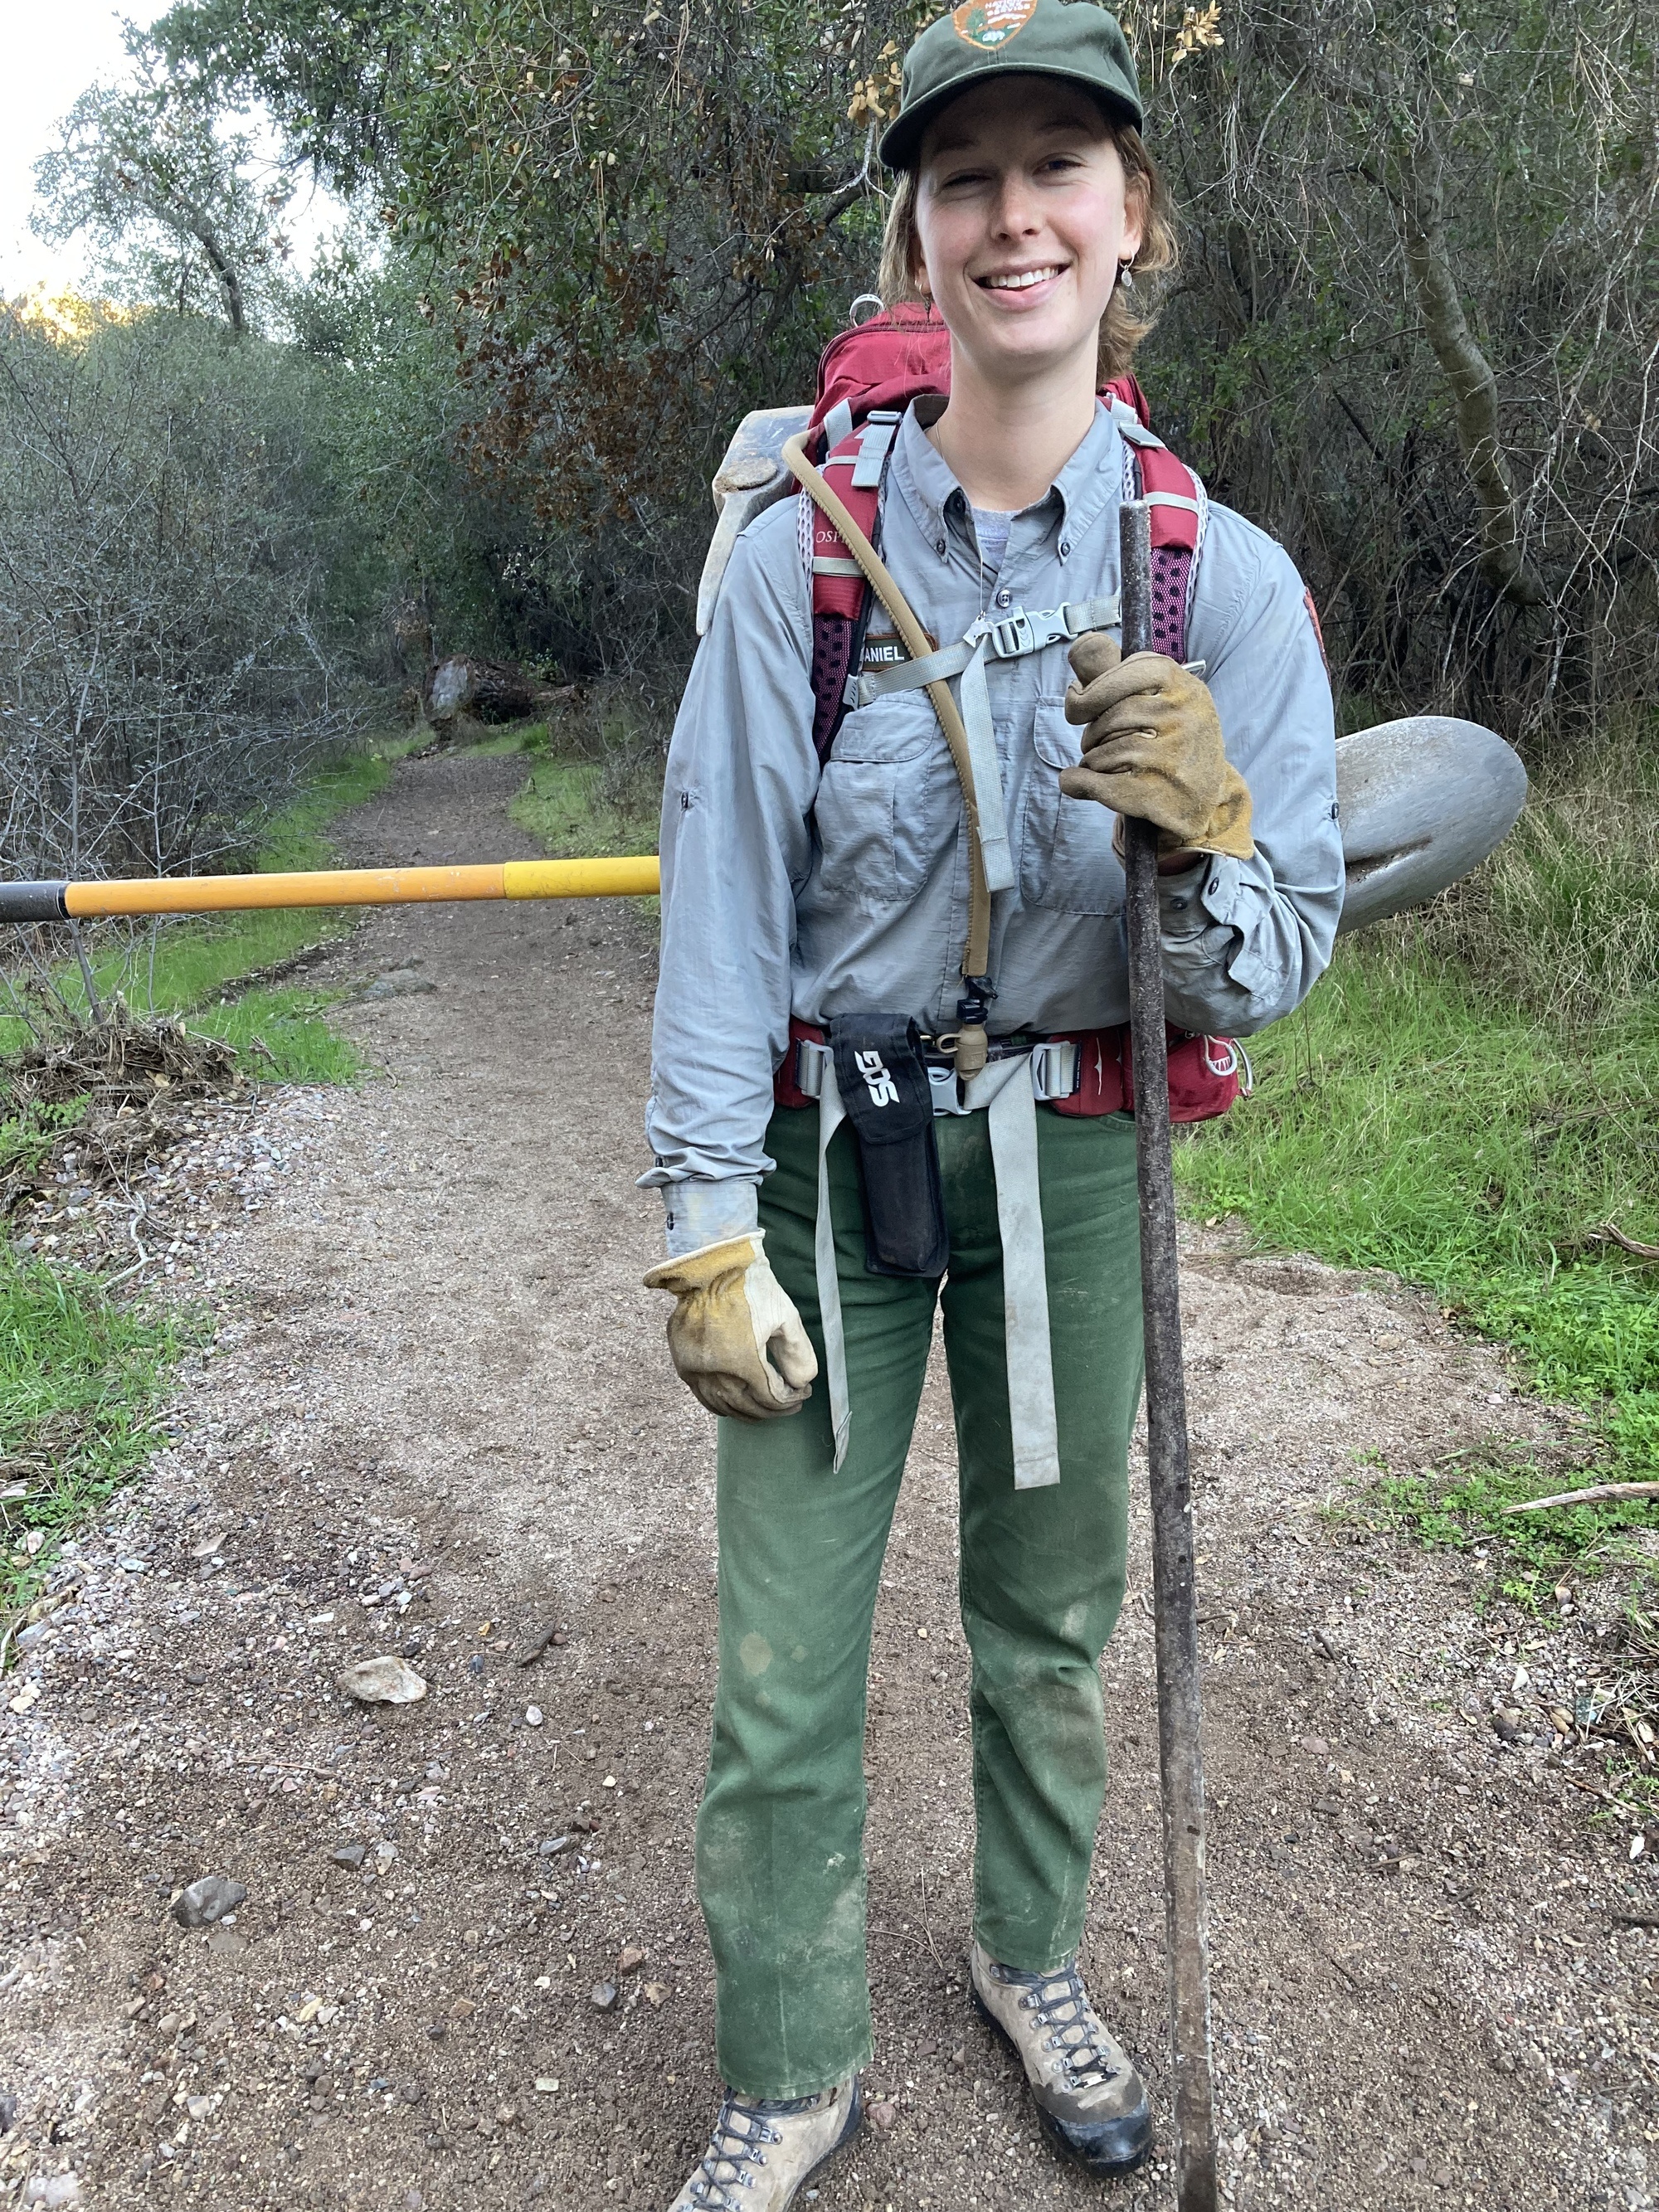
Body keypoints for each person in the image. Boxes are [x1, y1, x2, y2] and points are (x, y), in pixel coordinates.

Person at [642, 2, 1341, 2202]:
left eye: (1063, 164)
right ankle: (790, 2056)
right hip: (828, 1161)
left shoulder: (1218, 584)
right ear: (917, 238)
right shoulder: (801, 564)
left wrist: (1210, 847)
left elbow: (1281, 944)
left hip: (1063, 1162)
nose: (1016, 211)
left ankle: (1032, 1954)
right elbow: (722, 911)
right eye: (969, 176)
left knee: (1047, 1621)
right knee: (784, 1652)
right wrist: (697, 1218)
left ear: (1138, 217)